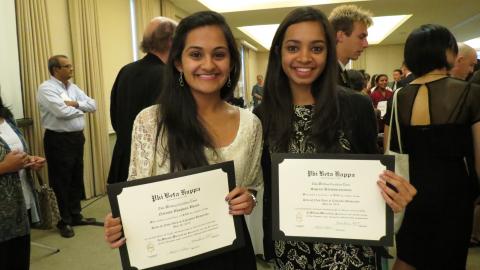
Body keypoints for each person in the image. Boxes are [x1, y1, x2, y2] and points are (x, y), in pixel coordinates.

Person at [256, 7, 416, 269]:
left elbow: (371, 178)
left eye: (317, 48)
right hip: (291, 253)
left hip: (351, 253)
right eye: (293, 48)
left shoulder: (355, 106)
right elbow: (267, 188)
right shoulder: (264, 115)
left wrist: (392, 193)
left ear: (328, 52)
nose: (305, 58)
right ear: (279, 53)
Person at [104, 11, 262, 270]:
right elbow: (136, 191)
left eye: (219, 54)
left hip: (231, 254)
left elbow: (251, 185)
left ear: (232, 62)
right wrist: (118, 223)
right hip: (170, 257)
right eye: (196, 54)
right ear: (178, 62)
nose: (209, 65)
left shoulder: (250, 124)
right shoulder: (150, 121)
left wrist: (250, 199)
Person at [384, 24, 480, 270]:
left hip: (410, 190)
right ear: (447, 52)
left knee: (408, 256)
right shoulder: (470, 94)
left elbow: (390, 149)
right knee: (448, 257)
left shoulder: (398, 98)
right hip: (455, 191)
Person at [108, 17, 177, 184]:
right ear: (171, 41)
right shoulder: (169, 76)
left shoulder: (126, 71)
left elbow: (114, 114)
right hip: (154, 164)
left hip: (123, 156)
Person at [37, 55, 97, 238]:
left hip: (77, 138)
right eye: (67, 66)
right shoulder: (46, 88)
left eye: (71, 65)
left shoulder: (73, 88)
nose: (71, 69)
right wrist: (81, 109)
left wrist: (76, 104)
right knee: (61, 180)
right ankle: (63, 221)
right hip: (58, 139)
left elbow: (93, 105)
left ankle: (75, 215)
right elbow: (61, 112)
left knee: (75, 177)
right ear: (56, 70)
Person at [0, 97, 45, 270]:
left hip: (19, 206)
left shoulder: (7, 117)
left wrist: (29, 160)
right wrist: (4, 167)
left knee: (19, 261)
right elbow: (6, 162)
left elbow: (16, 153)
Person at [329, 4, 373, 88]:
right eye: (361, 37)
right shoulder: (326, 75)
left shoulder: (340, 72)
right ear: (340, 36)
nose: (366, 44)